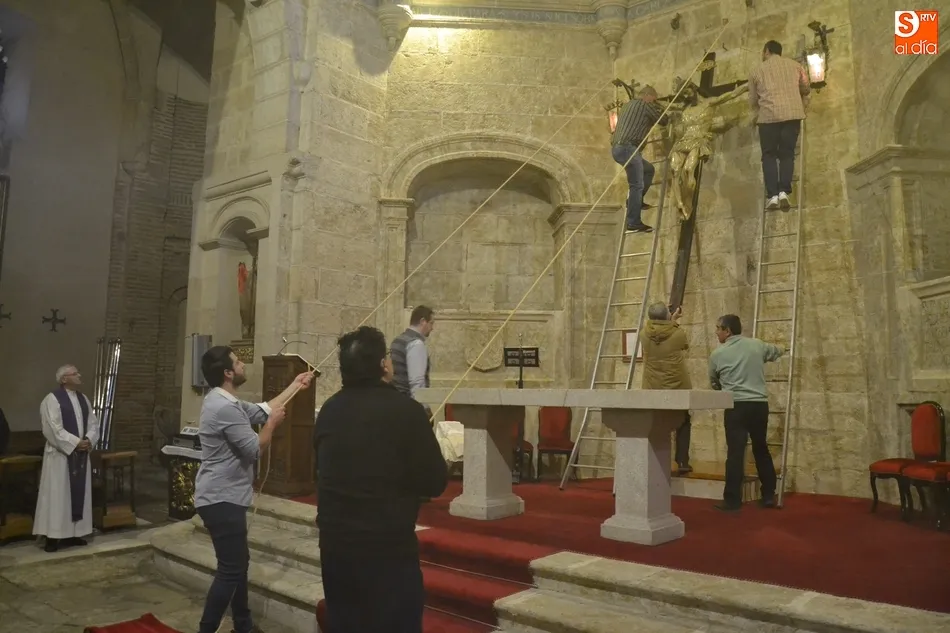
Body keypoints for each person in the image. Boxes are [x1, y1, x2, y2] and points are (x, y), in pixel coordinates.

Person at [314, 326, 448, 633]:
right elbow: (434, 481)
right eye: (387, 355)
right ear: (382, 365)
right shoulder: (406, 411)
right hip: (386, 547)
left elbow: (321, 468)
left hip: (335, 547)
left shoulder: (329, 411)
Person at [194, 345, 312, 633]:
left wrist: (295, 385)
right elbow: (254, 448)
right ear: (227, 373)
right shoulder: (224, 407)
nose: (243, 365)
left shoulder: (225, 400)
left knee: (239, 564)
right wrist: (272, 426)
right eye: (238, 362)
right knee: (230, 570)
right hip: (221, 498)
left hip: (225, 496)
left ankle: (243, 625)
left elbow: (262, 410)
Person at [708, 315, 784, 512]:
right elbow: (777, 351)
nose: (716, 332)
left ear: (728, 331)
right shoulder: (757, 345)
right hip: (759, 405)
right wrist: (782, 347)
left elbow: (714, 381)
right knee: (761, 448)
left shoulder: (718, 354)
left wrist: (725, 388)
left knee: (735, 453)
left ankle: (732, 500)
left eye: (718, 328)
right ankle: (768, 495)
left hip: (736, 406)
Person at [33, 364, 100, 553]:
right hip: (60, 456)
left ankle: (74, 533)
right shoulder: (52, 399)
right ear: (64, 379)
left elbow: (93, 423)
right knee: (57, 496)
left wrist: (88, 440)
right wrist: (75, 443)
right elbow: (52, 428)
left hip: (80, 455)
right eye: (75, 373)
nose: (79, 375)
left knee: (77, 495)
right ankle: (52, 536)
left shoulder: (83, 399)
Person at [748, 39, 811, 211]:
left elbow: (752, 100)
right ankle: (784, 192)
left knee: (769, 155)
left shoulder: (756, 71)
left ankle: (773, 196)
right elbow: (806, 87)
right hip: (792, 116)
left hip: (768, 118)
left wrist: (758, 109)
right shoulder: (796, 66)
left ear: (767, 51)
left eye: (763, 52)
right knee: (787, 154)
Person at [609, 84, 670, 233]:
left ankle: (635, 202)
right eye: (653, 100)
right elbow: (663, 120)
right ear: (647, 96)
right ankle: (633, 222)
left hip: (617, 149)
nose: (653, 102)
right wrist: (661, 107)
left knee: (648, 170)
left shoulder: (627, 106)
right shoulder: (644, 105)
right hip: (628, 148)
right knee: (636, 185)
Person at [640, 302, 692, 474]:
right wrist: (674, 321)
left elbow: (660, 334)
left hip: (653, 386)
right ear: (666, 316)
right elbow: (683, 345)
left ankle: (654, 460)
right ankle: (682, 460)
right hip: (676, 386)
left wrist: (671, 319)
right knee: (683, 422)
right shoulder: (678, 333)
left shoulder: (644, 334)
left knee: (656, 423)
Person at [390, 304, 435, 402]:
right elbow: (417, 384)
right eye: (431, 323)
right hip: (408, 402)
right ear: (423, 321)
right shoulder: (416, 343)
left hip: (395, 399)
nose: (432, 328)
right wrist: (423, 407)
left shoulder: (397, 340)